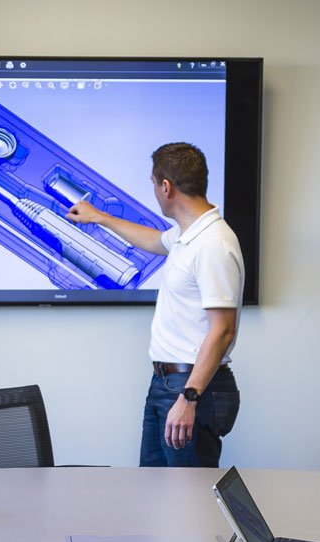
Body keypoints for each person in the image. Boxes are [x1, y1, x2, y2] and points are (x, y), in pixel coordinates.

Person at [66, 142, 243, 467]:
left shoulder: (213, 243)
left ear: (166, 187)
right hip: (167, 383)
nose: (154, 191)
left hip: (190, 387)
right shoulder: (187, 234)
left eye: (153, 183)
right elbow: (151, 240)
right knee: (155, 492)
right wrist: (99, 218)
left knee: (187, 500)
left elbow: (223, 331)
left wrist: (189, 398)